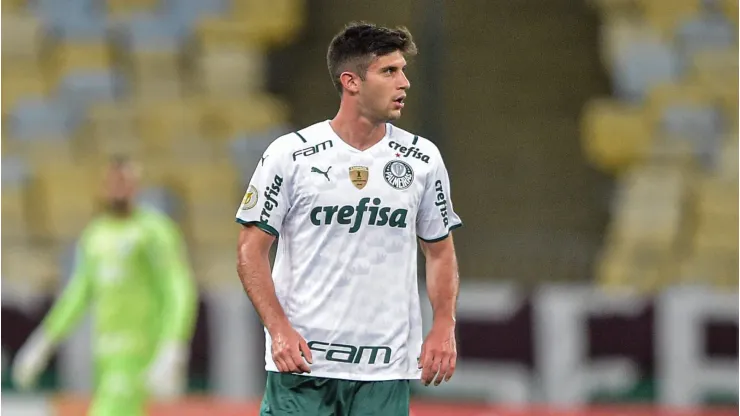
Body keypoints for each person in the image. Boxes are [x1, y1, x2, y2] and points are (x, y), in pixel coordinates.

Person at [235, 22, 462, 415]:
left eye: (403, 70)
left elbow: (440, 252)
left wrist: (444, 325)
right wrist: (279, 330)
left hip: (384, 371)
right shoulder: (290, 155)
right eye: (389, 71)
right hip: (303, 367)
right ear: (351, 81)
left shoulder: (423, 160)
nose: (404, 82)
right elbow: (249, 251)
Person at [11, 156, 199, 416]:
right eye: (114, 182)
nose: (119, 188)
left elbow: (178, 287)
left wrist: (174, 344)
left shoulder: (154, 231)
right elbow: (78, 294)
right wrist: (44, 340)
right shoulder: (95, 236)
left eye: (125, 182)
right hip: (105, 353)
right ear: (104, 186)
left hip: (141, 350)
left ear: (136, 186)